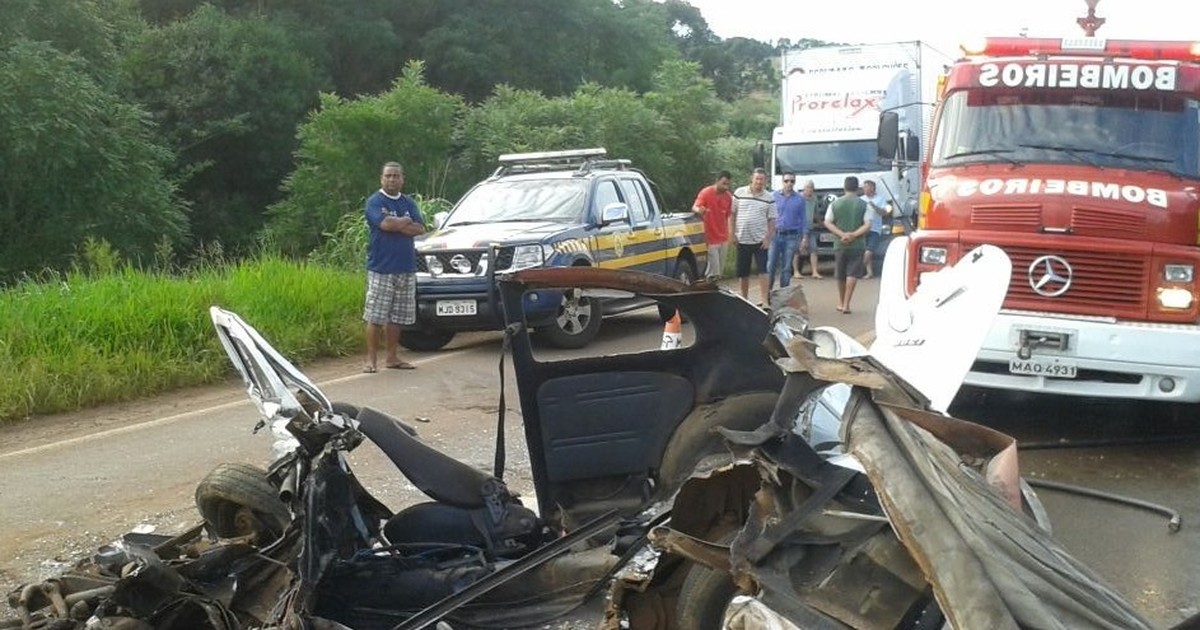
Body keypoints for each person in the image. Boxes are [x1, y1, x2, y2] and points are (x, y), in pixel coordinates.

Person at [362, 162, 425, 373]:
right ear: (381, 178)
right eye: (388, 176)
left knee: (398, 316)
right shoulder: (374, 201)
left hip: (405, 267)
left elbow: (419, 228)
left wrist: (398, 223)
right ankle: (371, 361)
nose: (392, 179)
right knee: (375, 316)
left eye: (396, 176)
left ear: (402, 179)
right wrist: (404, 221)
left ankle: (392, 357)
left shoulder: (408, 202)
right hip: (381, 267)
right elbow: (385, 225)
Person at [823, 175, 872, 314]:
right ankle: (846, 304)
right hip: (857, 244)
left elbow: (827, 222)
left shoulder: (835, 204)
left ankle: (841, 301)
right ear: (858, 188)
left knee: (841, 274)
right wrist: (854, 235)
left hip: (840, 244)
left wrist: (841, 235)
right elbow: (868, 224)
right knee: (852, 274)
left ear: (844, 187)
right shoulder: (864, 204)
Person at [730, 168, 776, 304]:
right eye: (757, 179)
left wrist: (768, 238)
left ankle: (764, 301)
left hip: (760, 240)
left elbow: (772, 220)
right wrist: (731, 234)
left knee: (763, 271)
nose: (759, 182)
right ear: (752, 178)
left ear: (765, 181)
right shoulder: (739, 193)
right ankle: (744, 300)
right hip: (742, 239)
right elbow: (732, 214)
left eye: (762, 179)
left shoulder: (769, 197)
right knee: (743, 273)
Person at [766, 172, 806, 290]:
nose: (789, 183)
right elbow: (767, 215)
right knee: (770, 266)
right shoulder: (772, 196)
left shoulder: (800, 199)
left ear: (794, 182)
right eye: (786, 181)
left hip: (791, 236)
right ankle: (766, 296)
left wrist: (804, 237)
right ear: (782, 182)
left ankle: (784, 296)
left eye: (792, 181)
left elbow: (803, 219)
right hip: (775, 235)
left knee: (787, 267)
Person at [691, 170, 734, 279]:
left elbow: (728, 216)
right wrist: (699, 210)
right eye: (724, 183)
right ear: (717, 181)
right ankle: (709, 287)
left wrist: (730, 235)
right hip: (710, 238)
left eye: (728, 184)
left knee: (719, 270)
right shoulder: (706, 192)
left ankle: (710, 288)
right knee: (715, 271)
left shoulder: (728, 197)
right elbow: (695, 206)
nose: (726, 187)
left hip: (723, 237)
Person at [860, 179, 890, 279]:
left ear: (872, 188)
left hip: (875, 228)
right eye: (863, 187)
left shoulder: (880, 199)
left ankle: (858, 269)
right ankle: (869, 272)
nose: (864, 189)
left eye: (866, 187)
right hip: (863, 228)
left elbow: (885, 212)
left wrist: (874, 206)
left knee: (870, 250)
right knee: (865, 250)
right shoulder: (861, 199)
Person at [796, 180, 824, 279]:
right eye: (807, 188)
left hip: (810, 228)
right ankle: (796, 271)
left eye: (811, 188)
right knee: (797, 250)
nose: (809, 190)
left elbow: (816, 213)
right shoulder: (798, 198)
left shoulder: (814, 199)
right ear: (804, 189)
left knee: (814, 249)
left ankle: (815, 271)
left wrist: (821, 223)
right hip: (799, 228)